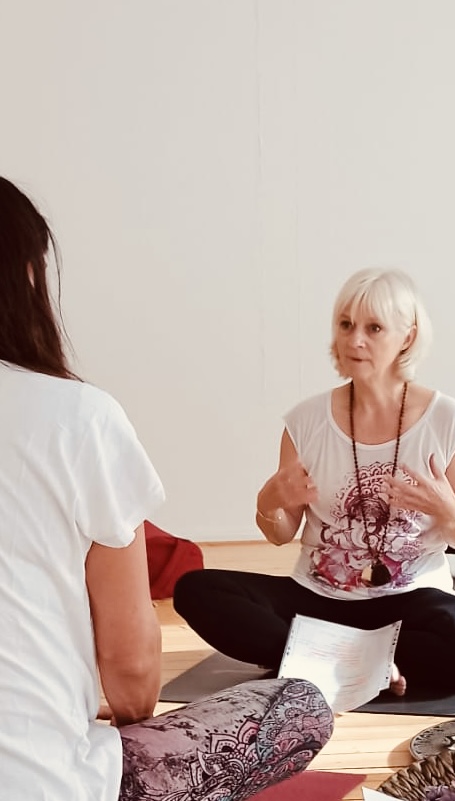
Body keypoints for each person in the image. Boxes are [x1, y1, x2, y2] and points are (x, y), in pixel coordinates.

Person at [0, 176, 333, 801]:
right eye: (348, 326)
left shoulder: (438, 418)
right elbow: (131, 670)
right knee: (300, 706)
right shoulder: (80, 417)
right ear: (26, 276)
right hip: (45, 781)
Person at [174, 267, 455, 696]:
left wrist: (446, 510)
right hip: (315, 600)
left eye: (374, 328)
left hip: (411, 603)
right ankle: (362, 664)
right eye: (346, 325)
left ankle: (315, 659)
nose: (355, 340)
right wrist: (268, 500)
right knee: (196, 590)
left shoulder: (448, 421)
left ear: (407, 337)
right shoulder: (306, 421)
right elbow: (281, 534)